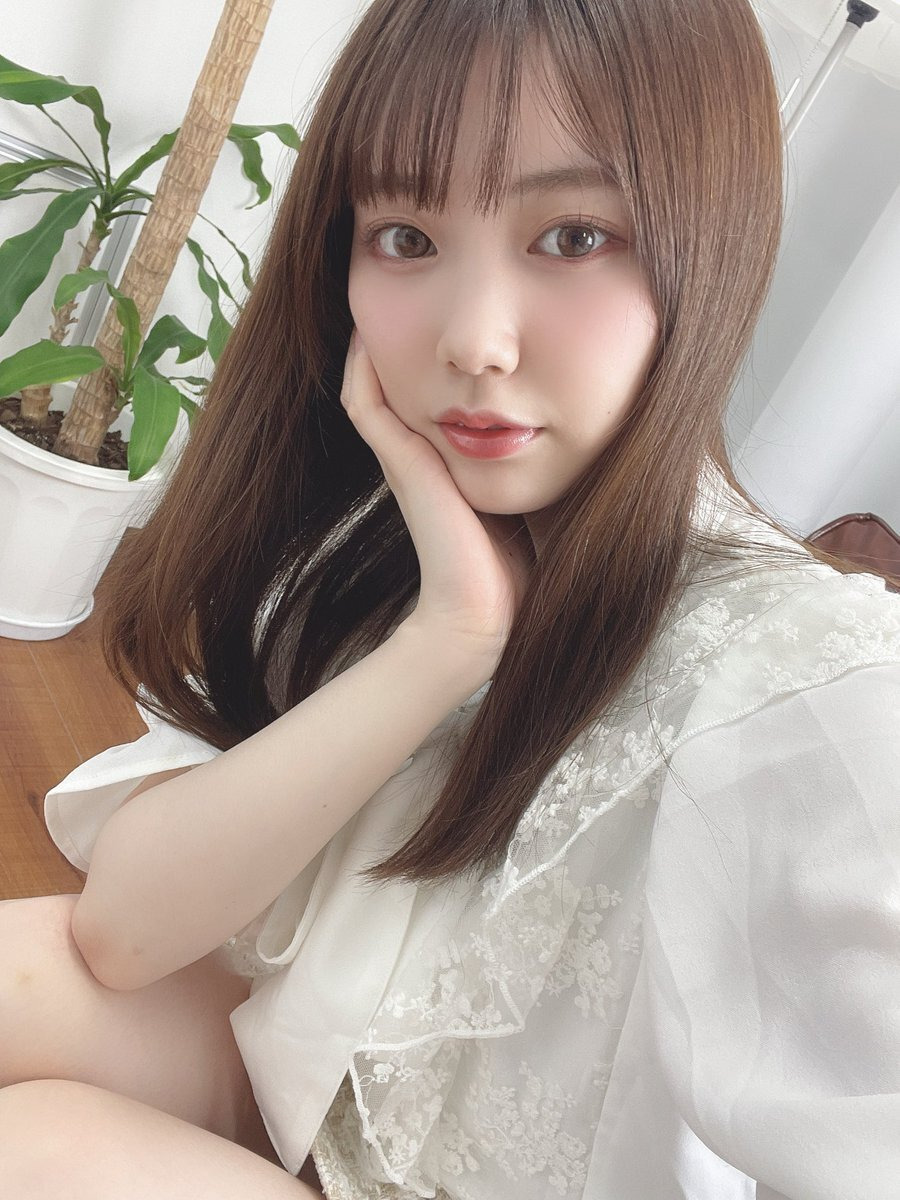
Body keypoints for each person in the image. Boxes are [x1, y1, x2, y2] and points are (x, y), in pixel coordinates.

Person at [3, 0, 899, 1195]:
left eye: (573, 236)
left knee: (38, 1153)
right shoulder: (404, 541)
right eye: (406, 236)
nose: (473, 342)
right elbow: (122, 933)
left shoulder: (813, 679)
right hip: (326, 1107)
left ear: (715, 241)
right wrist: (451, 637)